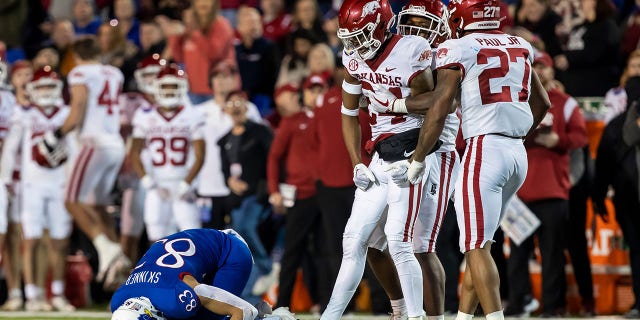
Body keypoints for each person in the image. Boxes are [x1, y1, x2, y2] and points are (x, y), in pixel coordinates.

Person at [377, 1, 551, 320]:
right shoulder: (520, 43)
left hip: (484, 149)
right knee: (480, 245)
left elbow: (441, 105)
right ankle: (464, 317)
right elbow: (543, 103)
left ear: (460, 16)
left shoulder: (458, 46)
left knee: (475, 248)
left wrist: (417, 157)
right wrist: (514, 136)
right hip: (516, 153)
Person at [320, 0, 436, 317]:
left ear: (381, 26)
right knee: (354, 240)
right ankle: (329, 316)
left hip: (413, 150)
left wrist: (397, 105)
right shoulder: (353, 57)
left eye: (360, 35)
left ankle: (416, 316)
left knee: (399, 242)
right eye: (349, 38)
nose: (354, 45)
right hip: (379, 156)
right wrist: (356, 161)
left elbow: (434, 103)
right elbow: (347, 113)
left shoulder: (411, 49)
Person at [37, 37, 129, 286]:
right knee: (98, 206)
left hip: (93, 142)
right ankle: (118, 260)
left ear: (76, 56)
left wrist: (55, 135)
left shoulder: (80, 73)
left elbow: (77, 111)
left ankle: (106, 249)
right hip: (114, 143)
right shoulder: (114, 73)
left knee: (71, 201)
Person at [506, 50, 588, 317]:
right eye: (534, 66)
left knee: (552, 254)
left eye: (543, 66)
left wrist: (559, 141)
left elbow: (580, 137)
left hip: (553, 190)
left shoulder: (565, 102)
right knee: (518, 255)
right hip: (519, 193)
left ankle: (553, 308)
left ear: (552, 71)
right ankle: (518, 304)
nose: (539, 71)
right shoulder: (514, 99)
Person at [395, 1, 461, 319]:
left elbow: (442, 103)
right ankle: (403, 310)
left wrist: (392, 103)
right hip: (403, 150)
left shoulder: (448, 54)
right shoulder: (400, 52)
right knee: (388, 239)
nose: (415, 30)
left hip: (439, 154)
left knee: (422, 245)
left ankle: (434, 317)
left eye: (423, 23)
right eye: (411, 22)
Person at [0, 67, 76, 312]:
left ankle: (57, 293)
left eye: (49, 87)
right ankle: (32, 294)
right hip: (31, 185)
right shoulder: (24, 115)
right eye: (40, 87)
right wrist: (7, 179)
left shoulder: (66, 113)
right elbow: (11, 149)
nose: (44, 92)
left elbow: (74, 149)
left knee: (60, 240)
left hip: (59, 183)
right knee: (30, 239)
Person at [110, 228, 296, 320]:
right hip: (197, 252)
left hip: (229, 252)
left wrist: (249, 313)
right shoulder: (119, 299)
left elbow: (240, 310)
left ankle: (274, 318)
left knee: (205, 317)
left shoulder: (174, 299)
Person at [268, 75, 326, 310]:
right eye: (311, 90)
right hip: (299, 195)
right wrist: (274, 190)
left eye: (320, 89)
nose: (315, 94)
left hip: (324, 193)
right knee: (293, 251)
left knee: (326, 250)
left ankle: (327, 303)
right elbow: (274, 156)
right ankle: (282, 305)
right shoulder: (293, 121)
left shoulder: (328, 118)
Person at [130, 64, 205, 242]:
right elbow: (134, 153)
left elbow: (200, 156)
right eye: (165, 86)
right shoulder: (144, 115)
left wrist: (186, 184)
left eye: (174, 86)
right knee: (156, 239)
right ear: (157, 87)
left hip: (183, 181)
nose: (170, 91)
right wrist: (148, 182)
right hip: (157, 183)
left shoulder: (193, 114)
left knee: (192, 238)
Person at [218, 90, 273, 298]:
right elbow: (225, 170)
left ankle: (267, 268)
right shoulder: (224, 140)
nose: (235, 106)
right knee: (237, 239)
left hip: (259, 193)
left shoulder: (260, 131)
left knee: (244, 228)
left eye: (239, 102)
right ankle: (247, 293)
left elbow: (273, 160)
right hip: (237, 198)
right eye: (231, 102)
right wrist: (229, 181)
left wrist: (272, 188)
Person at [594, 75, 640, 320]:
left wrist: (599, 197)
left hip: (626, 197)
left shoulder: (615, 126)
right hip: (628, 198)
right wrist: (600, 197)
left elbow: (603, 166)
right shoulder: (618, 126)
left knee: (636, 250)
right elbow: (603, 164)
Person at [196, 62, 262, 230]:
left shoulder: (249, 109)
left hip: (239, 185)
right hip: (207, 184)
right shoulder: (198, 111)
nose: (221, 81)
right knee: (210, 236)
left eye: (226, 76)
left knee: (240, 235)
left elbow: (259, 147)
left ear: (235, 80)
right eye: (217, 76)